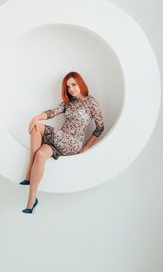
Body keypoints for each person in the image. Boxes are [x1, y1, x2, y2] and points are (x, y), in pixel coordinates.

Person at [21, 71, 105, 214]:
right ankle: (31, 201)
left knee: (37, 127)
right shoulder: (68, 103)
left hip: (73, 143)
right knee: (40, 154)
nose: (71, 89)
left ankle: (28, 172)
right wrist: (37, 116)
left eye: (73, 84)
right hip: (60, 139)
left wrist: (86, 146)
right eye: (68, 87)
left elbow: (100, 127)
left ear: (80, 83)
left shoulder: (91, 102)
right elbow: (53, 112)